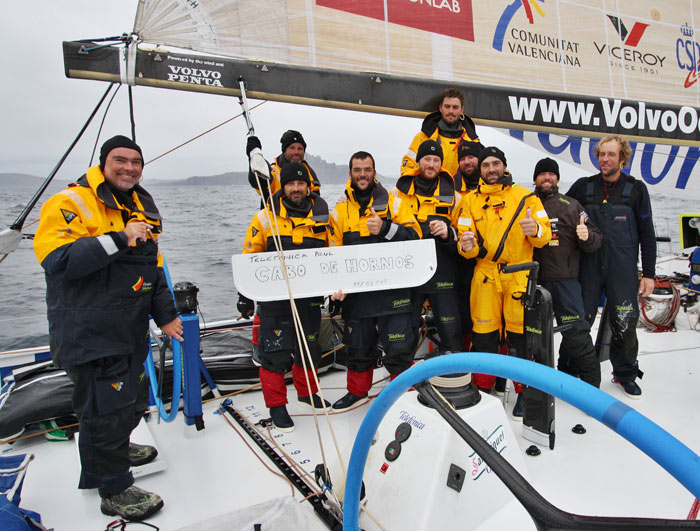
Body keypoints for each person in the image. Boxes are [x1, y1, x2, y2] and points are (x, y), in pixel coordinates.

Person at [33, 135, 183, 521]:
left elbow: (153, 269)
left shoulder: (139, 209)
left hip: (128, 329)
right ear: (103, 163)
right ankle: (113, 487)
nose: (129, 168)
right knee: (103, 411)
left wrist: (165, 315)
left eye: (136, 162)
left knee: (132, 400)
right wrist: (119, 238)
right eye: (120, 160)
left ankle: (118, 446)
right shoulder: (69, 203)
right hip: (90, 333)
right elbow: (58, 261)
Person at [456, 146, 551, 417]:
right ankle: (484, 390)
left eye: (496, 163)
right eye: (486, 165)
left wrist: (537, 230)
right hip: (485, 276)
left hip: (519, 275)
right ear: (481, 169)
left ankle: (524, 392)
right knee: (483, 336)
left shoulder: (527, 197)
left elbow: (544, 236)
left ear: (504, 166)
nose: (491, 169)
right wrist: (467, 244)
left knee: (521, 339)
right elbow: (467, 244)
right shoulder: (469, 201)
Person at [238, 162, 331, 431]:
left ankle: (307, 393)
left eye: (301, 184)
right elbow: (249, 256)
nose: (296, 188)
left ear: (309, 186)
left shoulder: (324, 216)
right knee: (275, 356)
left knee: (309, 350)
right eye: (291, 183)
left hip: (310, 299)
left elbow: (334, 253)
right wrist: (244, 294)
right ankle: (277, 406)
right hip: (275, 301)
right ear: (284, 186)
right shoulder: (265, 218)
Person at [328, 151, 421, 411]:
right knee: (357, 348)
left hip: (395, 294)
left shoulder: (396, 203)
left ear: (374, 173)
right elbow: (333, 253)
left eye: (367, 169)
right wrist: (336, 287)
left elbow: (416, 238)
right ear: (350, 174)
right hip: (358, 297)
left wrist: (385, 229)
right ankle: (357, 392)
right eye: (357, 170)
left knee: (399, 349)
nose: (362, 175)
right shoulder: (338, 211)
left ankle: (404, 395)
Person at [566, 135, 656, 398]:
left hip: (622, 268)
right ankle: (574, 369)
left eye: (611, 154)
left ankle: (625, 373)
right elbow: (561, 213)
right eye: (601, 154)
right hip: (588, 268)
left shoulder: (636, 190)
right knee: (579, 321)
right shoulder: (583, 187)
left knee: (625, 322)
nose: (605, 159)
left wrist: (649, 274)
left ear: (623, 159)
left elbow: (647, 234)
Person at [532, 157, 602, 388]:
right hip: (531, 282)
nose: (547, 178)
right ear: (535, 179)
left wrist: (588, 237)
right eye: (542, 174)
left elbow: (596, 239)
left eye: (551, 174)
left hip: (565, 280)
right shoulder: (523, 203)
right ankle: (538, 387)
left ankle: (593, 389)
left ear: (558, 179)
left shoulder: (572, 205)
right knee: (533, 338)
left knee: (577, 334)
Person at [392, 139, 463, 352]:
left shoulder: (455, 197)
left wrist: (449, 232)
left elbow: (467, 233)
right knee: (403, 332)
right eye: (426, 159)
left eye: (436, 160)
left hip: (443, 275)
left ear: (441, 164)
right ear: (418, 161)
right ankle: (403, 380)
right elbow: (385, 227)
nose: (431, 164)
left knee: (451, 330)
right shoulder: (396, 194)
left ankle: (454, 378)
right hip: (408, 274)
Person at [401, 88, 480, 177]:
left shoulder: (473, 141)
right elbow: (408, 167)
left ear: (462, 110)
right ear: (440, 108)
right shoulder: (423, 137)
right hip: (430, 189)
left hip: (461, 190)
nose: (451, 111)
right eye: (447, 106)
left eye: (455, 107)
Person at [452, 141, 483, 348]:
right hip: (461, 259)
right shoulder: (451, 189)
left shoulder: (496, 184)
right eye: (462, 159)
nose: (467, 161)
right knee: (464, 313)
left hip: (489, 260)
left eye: (471, 157)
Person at [246, 130, 320, 202]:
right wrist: (254, 153)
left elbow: (316, 200)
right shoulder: (273, 171)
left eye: (300, 148)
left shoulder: (309, 172)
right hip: (275, 213)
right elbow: (257, 180)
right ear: (284, 151)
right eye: (292, 148)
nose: (296, 152)